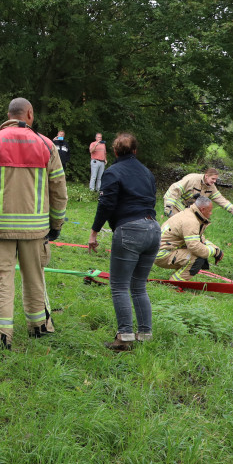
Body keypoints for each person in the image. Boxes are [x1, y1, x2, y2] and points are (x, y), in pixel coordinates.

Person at [0, 98, 67, 349]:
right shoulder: (46, 145)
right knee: (35, 277)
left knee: (1, 279)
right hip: (35, 230)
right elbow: (58, 190)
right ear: (29, 114)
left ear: (8, 115)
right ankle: (40, 327)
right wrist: (55, 225)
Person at [88, 133, 159, 352]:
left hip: (130, 230)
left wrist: (94, 232)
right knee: (138, 286)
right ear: (135, 151)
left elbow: (106, 204)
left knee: (119, 286)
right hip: (153, 229)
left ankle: (124, 337)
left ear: (115, 152)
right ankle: (145, 334)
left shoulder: (113, 172)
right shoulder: (147, 173)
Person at [153, 196, 222, 281]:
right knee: (197, 258)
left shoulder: (189, 214)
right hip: (162, 254)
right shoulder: (191, 221)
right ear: (203, 209)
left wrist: (216, 249)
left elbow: (199, 239)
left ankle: (177, 279)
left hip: (158, 251)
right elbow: (195, 247)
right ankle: (175, 283)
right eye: (210, 210)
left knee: (197, 253)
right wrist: (214, 252)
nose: (211, 213)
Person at [163, 168, 233, 224]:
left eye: (216, 179)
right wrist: (168, 206)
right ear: (206, 176)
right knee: (179, 223)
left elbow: (221, 200)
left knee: (189, 224)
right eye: (213, 179)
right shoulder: (192, 179)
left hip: (187, 205)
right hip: (174, 200)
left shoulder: (211, 187)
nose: (214, 181)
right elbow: (175, 190)